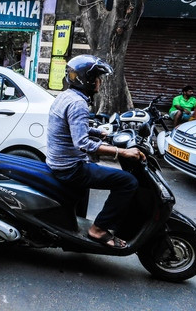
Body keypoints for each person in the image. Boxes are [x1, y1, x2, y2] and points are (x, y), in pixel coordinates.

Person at [46, 54, 143, 249]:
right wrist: (121, 152)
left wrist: (99, 132)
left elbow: (73, 127)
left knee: (96, 173)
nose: (100, 82)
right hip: (70, 168)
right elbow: (82, 143)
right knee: (127, 182)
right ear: (87, 80)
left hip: (60, 162)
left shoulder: (66, 96)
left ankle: (79, 222)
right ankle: (98, 230)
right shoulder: (78, 104)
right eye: (98, 78)